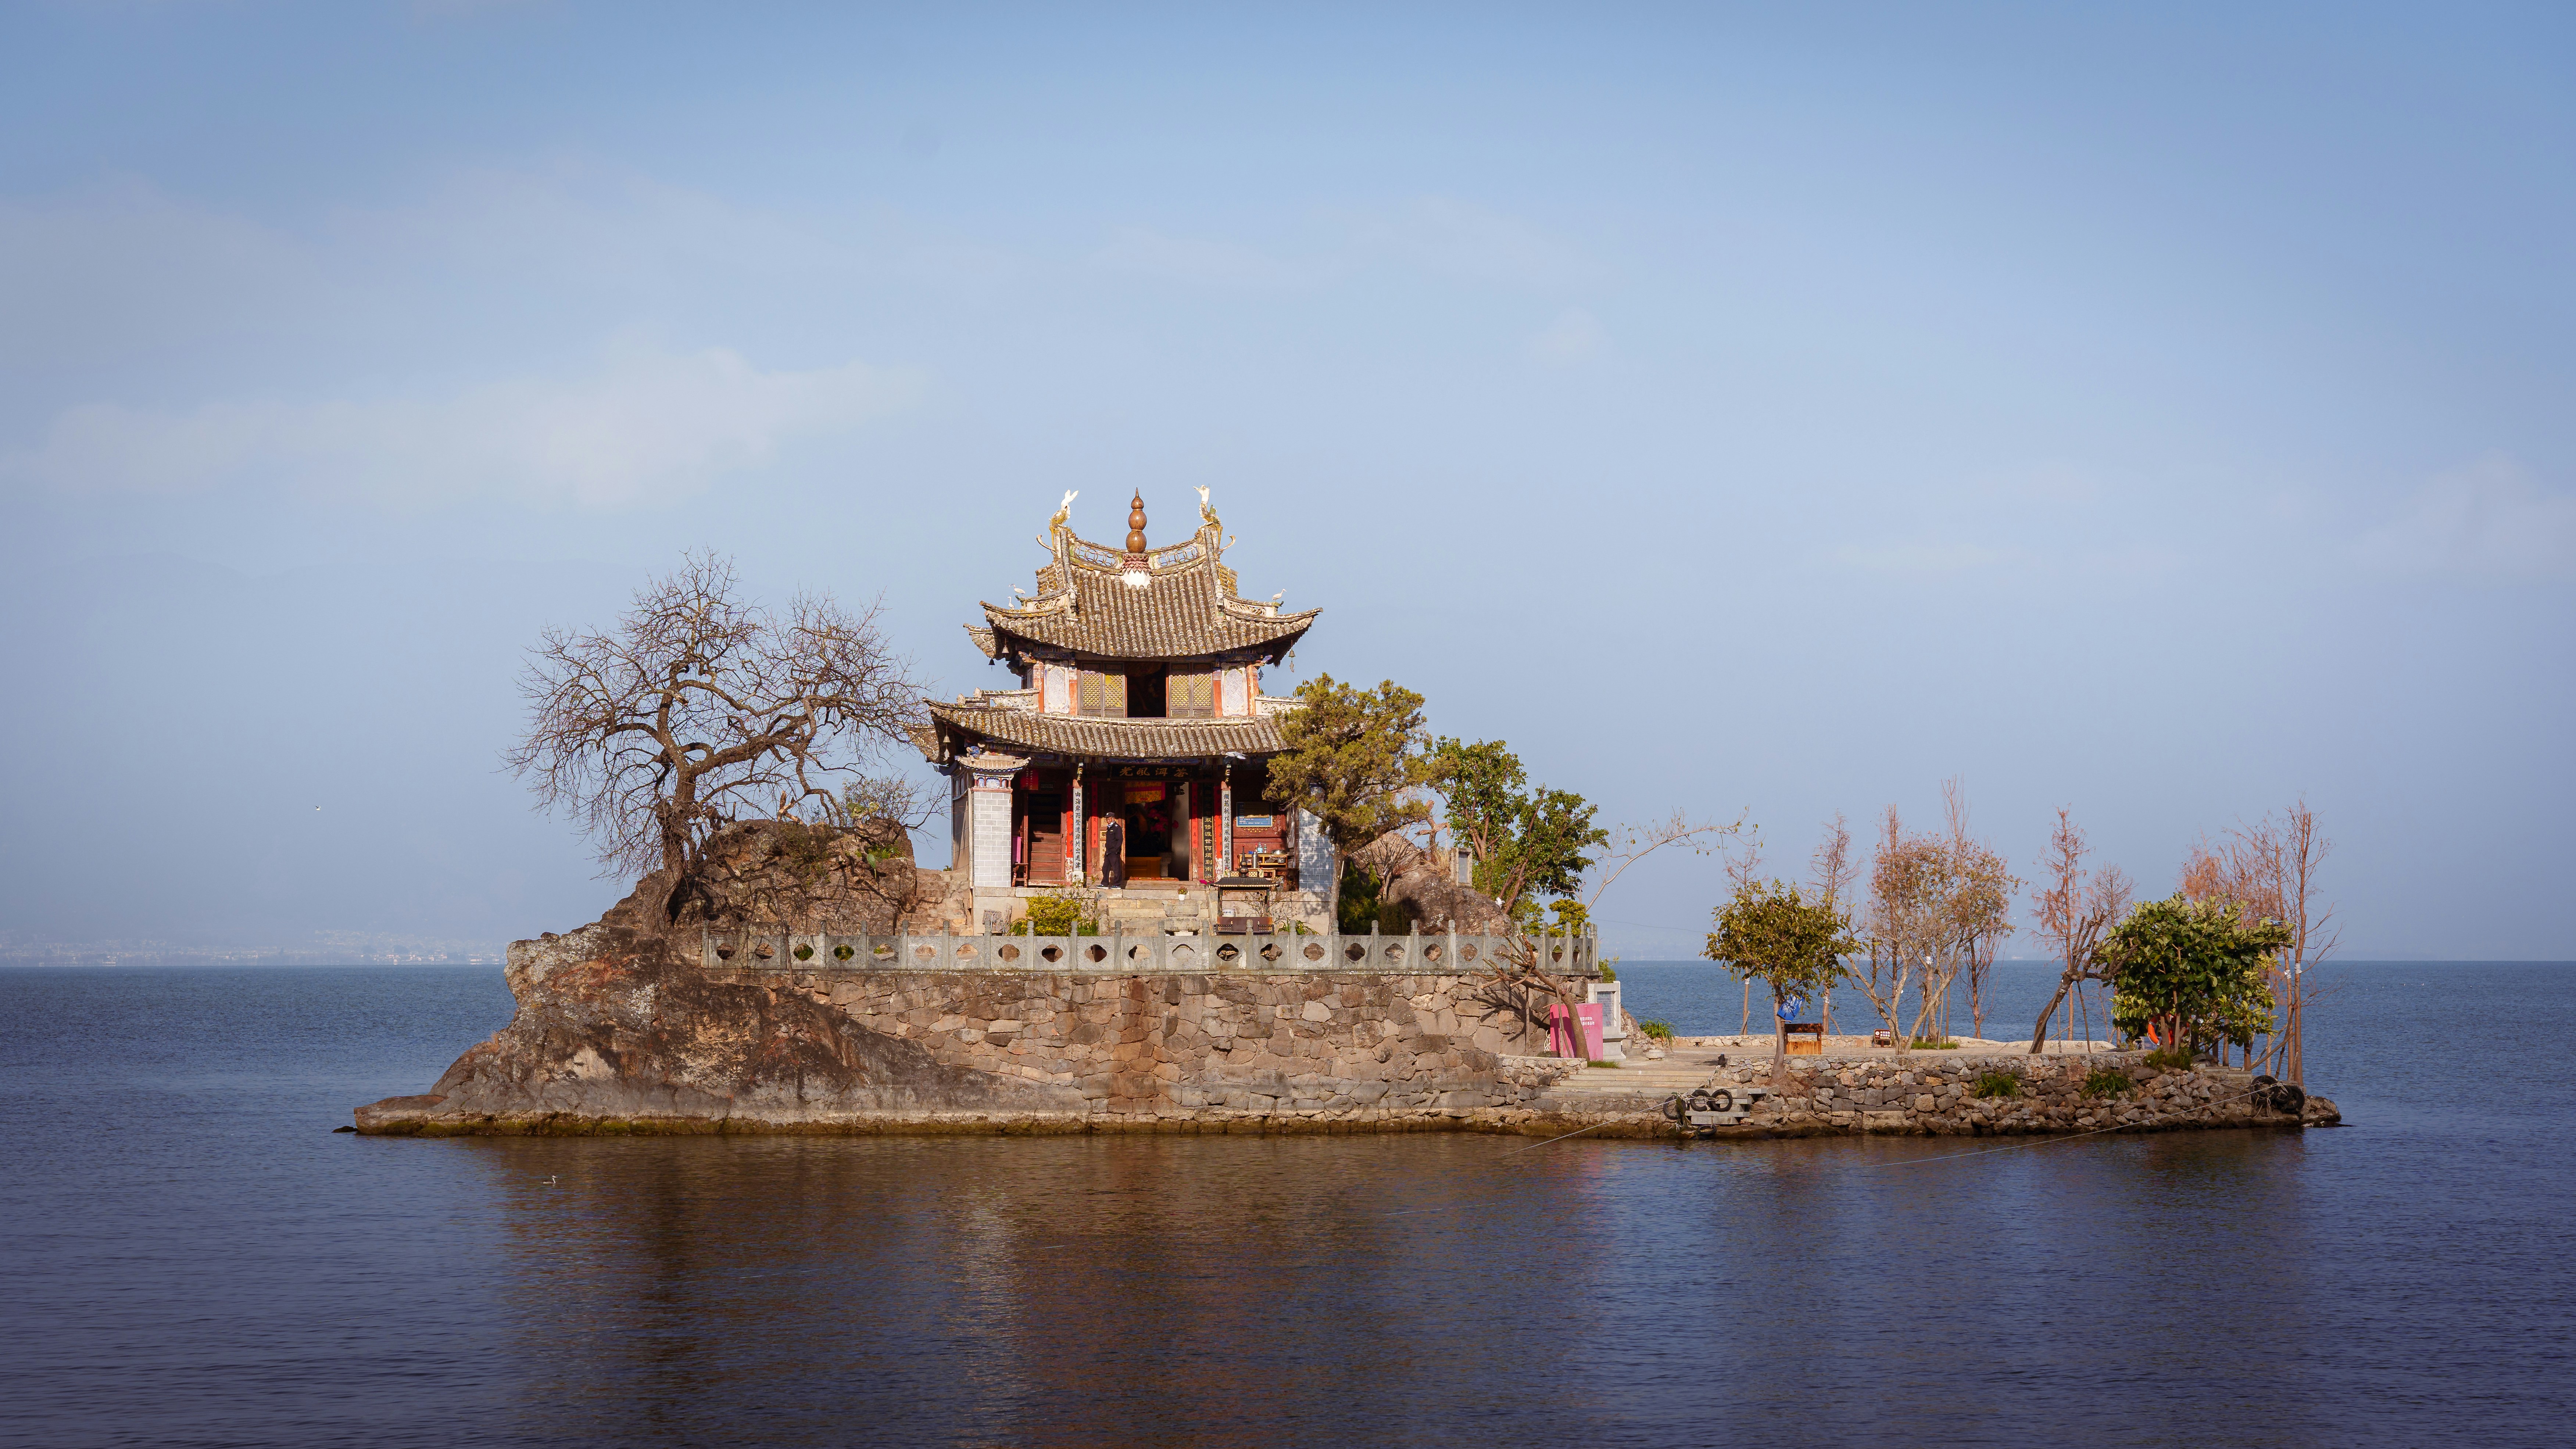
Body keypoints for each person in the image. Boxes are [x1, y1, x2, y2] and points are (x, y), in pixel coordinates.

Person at [1101, 817, 1126, 888]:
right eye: (1107, 819)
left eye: (1109, 819)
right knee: (1105, 868)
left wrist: (1116, 850)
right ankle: (1105, 884)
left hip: (1114, 852)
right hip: (1108, 852)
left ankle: (1117, 885)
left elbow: (1120, 840)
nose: (1108, 821)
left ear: (1113, 819)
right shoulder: (1109, 828)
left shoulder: (1117, 828)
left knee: (1116, 869)